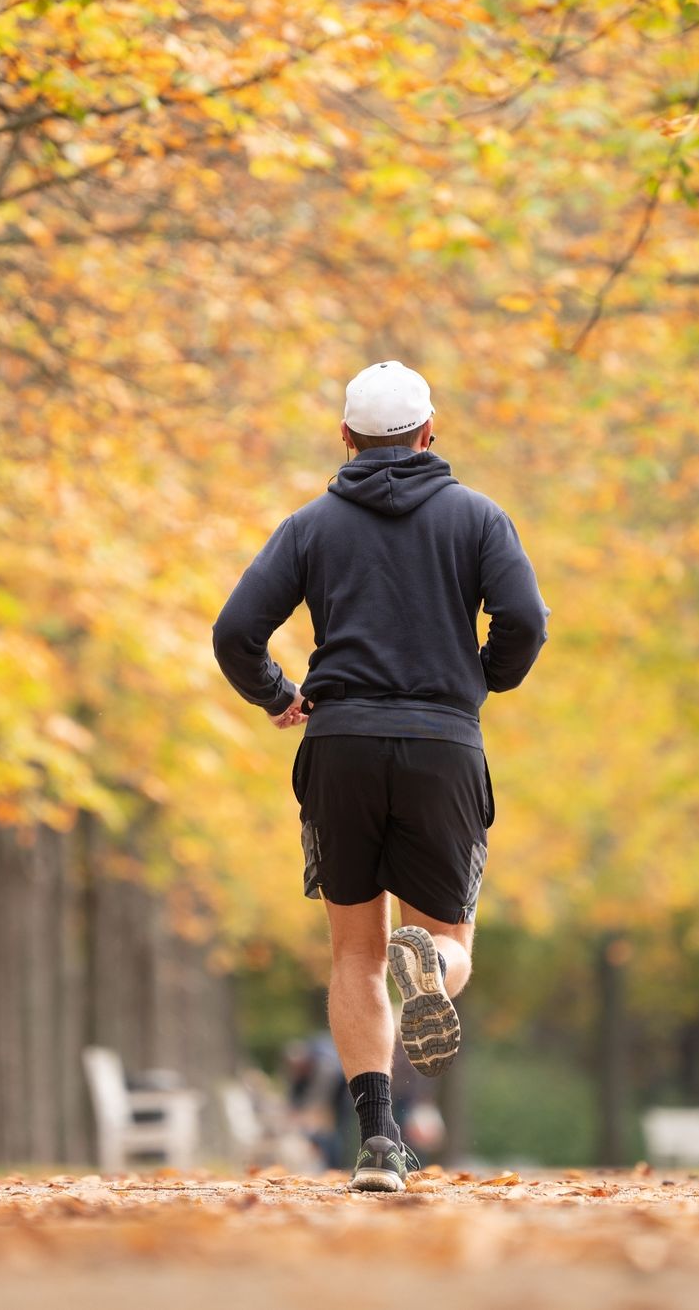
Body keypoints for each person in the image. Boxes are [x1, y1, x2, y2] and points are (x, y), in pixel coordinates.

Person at [212, 360, 548, 1192]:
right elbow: (526, 621)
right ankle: (430, 966)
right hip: (442, 745)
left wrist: (281, 696)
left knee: (355, 954)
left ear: (347, 438)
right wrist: (484, 676)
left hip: (342, 747)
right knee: (446, 940)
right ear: (431, 434)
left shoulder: (311, 526)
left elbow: (235, 632)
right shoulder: (479, 519)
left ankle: (378, 1147)